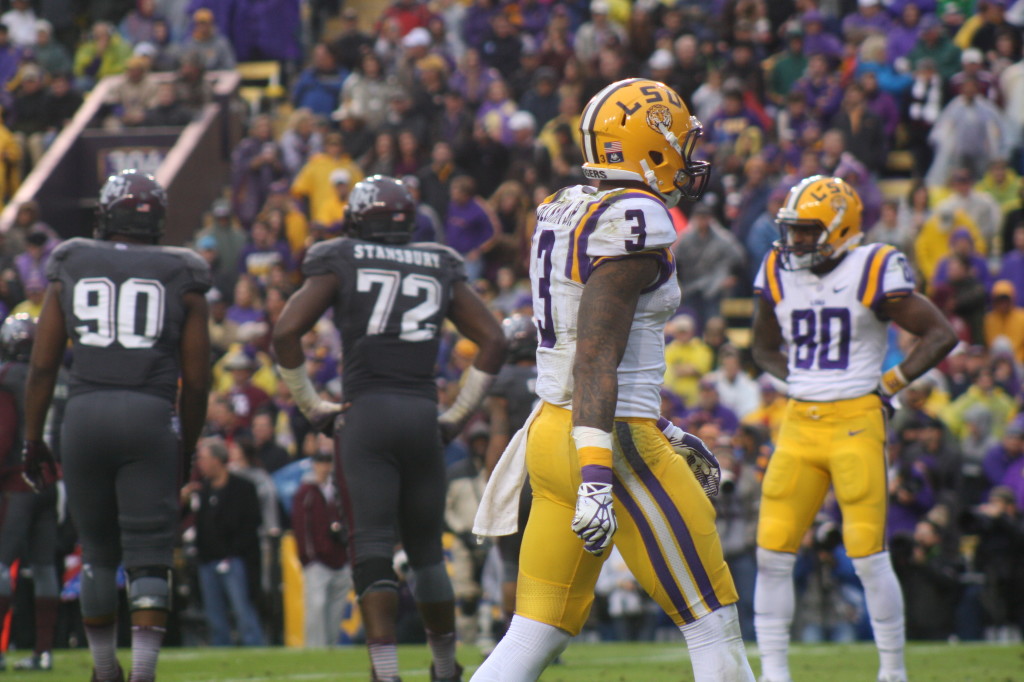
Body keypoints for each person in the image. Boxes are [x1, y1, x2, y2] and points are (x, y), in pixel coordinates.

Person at [471, 78, 754, 682]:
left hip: (552, 434)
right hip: (610, 442)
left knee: (532, 635)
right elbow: (596, 353)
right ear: (649, 146)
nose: (687, 154)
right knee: (712, 626)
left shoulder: (566, 203)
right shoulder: (638, 215)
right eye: (678, 141)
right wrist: (599, 475)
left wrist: (661, 423)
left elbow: (593, 345)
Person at [272, 174, 506, 682]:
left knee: (372, 546)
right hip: (422, 416)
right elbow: (494, 339)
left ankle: (386, 671)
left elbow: (286, 330)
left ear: (358, 219)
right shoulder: (438, 262)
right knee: (427, 555)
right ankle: (444, 668)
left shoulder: (341, 257)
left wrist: (311, 405)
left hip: (367, 415)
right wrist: (457, 415)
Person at [750, 175, 958, 682]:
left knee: (867, 554)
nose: (795, 240)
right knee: (771, 552)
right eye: (792, 229)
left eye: (806, 231)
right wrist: (803, 379)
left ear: (841, 229)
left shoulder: (873, 265)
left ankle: (892, 671)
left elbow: (940, 333)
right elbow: (762, 346)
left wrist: (890, 383)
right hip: (799, 422)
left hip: (856, 421)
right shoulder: (777, 268)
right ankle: (774, 673)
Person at [22, 169, 211, 682]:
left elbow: (43, 365)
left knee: (98, 554)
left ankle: (105, 671)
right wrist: (187, 444)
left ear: (106, 215)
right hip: (149, 415)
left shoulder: (73, 259)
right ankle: (143, 673)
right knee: (149, 554)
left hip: (85, 414)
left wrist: (33, 438)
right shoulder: (183, 270)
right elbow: (197, 381)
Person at [0, 315, 61, 671]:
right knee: (43, 567)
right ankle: (44, 652)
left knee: (1, 562)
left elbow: (4, 436)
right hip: (52, 483)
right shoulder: (61, 377)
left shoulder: (8, 378)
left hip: (17, 483)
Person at [183, 437, 265, 647]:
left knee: (243, 610)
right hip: (207, 559)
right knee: (214, 616)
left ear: (217, 460)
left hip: (235, 559)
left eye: (203, 458)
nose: (200, 463)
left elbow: (251, 523)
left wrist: (235, 550)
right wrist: (184, 502)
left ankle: (254, 647)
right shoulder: (202, 490)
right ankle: (221, 649)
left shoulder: (243, 488)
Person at [292, 449, 351, 647]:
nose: (325, 467)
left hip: (339, 557)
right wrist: (308, 557)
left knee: (336, 609)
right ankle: (315, 648)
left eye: (328, 462)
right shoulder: (306, 492)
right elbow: (301, 527)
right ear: (314, 465)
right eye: (321, 463)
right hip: (317, 559)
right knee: (316, 607)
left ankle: (330, 647)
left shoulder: (338, 490)